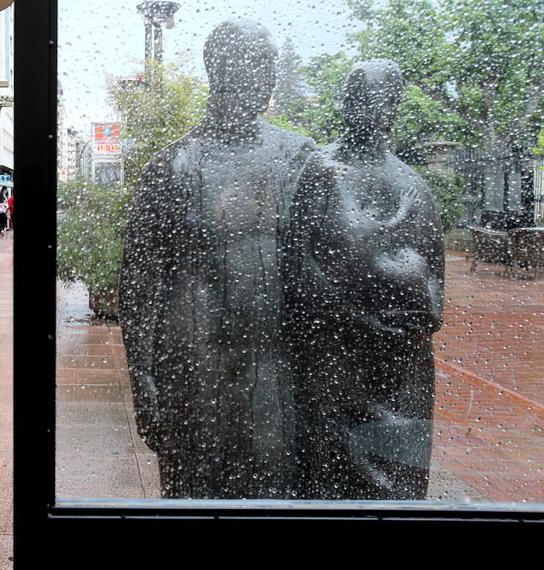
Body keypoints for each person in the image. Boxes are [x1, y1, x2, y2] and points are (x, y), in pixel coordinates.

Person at [118, 20, 314, 499]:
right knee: (192, 492)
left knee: (273, 491)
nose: (268, 78)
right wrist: (145, 384)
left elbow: (314, 277)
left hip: (272, 365)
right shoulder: (173, 165)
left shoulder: (298, 157)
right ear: (221, 68)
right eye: (259, 64)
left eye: (272, 67)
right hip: (190, 365)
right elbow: (139, 285)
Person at [284, 60, 444, 500]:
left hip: (399, 360)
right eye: (364, 98)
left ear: (392, 108)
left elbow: (434, 281)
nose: (374, 110)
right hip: (333, 353)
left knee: (399, 474)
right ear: (346, 103)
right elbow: (296, 266)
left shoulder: (412, 184)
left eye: (384, 100)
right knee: (326, 472)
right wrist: (352, 316)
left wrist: (408, 319)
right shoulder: (320, 172)